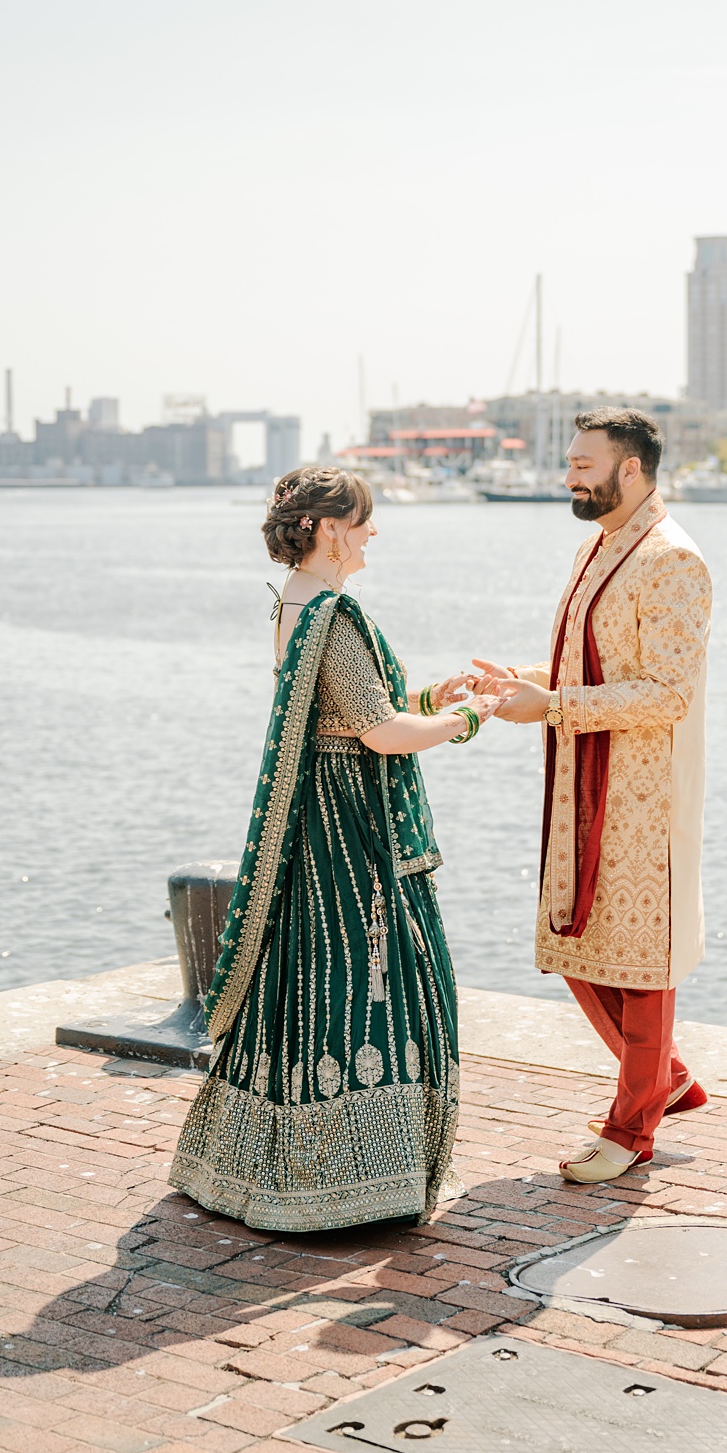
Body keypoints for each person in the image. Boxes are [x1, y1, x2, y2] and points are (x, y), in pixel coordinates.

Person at [171, 466, 494, 1231]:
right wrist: (472, 716)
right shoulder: (335, 615)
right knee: (383, 978)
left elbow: (347, 715)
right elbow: (379, 734)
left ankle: (266, 1164)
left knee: (308, 978)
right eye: (363, 519)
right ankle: (359, 1178)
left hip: (316, 821)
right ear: (325, 529)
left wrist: (426, 700)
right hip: (356, 836)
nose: (373, 531)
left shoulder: (292, 605)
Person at [475, 408, 712, 1184]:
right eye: (570, 462)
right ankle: (665, 1079)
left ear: (631, 469)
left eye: (584, 463)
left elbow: (668, 694)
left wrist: (553, 708)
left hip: (642, 795)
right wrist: (525, 684)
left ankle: (632, 1126)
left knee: (643, 966)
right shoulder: (598, 547)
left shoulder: (673, 560)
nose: (569, 475)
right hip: (584, 785)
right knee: (574, 941)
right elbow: (594, 673)